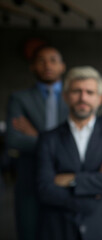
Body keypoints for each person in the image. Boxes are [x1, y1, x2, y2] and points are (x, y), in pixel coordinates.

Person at [36, 66, 102, 240]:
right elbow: (44, 189)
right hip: (58, 229)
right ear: (65, 96)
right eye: (76, 91)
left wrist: (72, 179)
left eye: (89, 92)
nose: (83, 98)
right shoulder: (48, 138)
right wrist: (89, 196)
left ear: (100, 98)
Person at [5, 45, 68, 240]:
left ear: (62, 66)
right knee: (29, 231)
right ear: (32, 67)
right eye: (41, 60)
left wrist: (36, 135)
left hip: (65, 177)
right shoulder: (19, 98)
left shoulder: (75, 97)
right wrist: (55, 144)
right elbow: (14, 139)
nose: (47, 64)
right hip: (29, 178)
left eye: (53, 60)